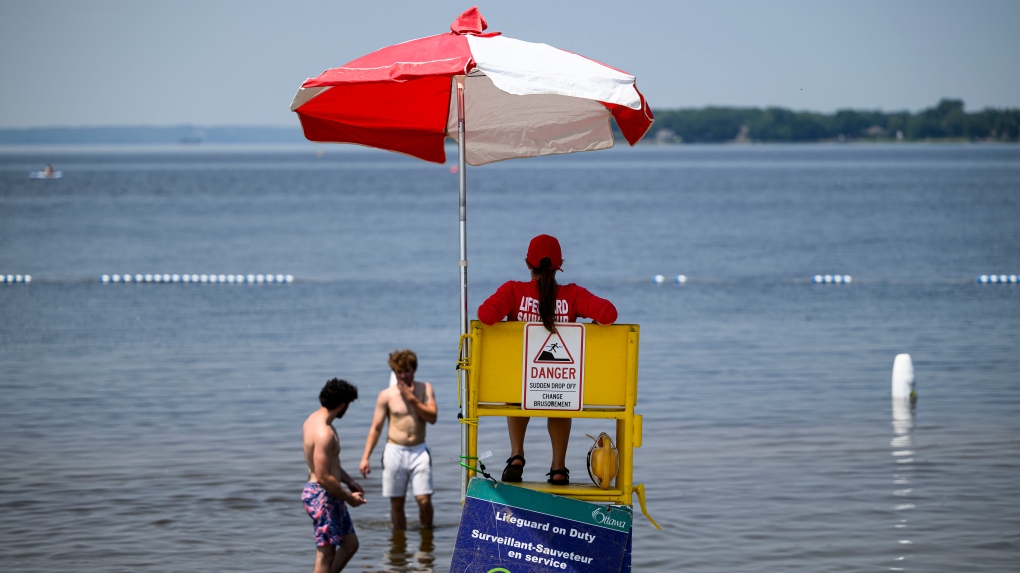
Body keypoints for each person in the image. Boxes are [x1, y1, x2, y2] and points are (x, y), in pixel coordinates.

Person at [477, 234, 617, 485]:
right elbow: (609, 313)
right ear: (559, 264)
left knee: (516, 387)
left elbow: (485, 315)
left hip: (520, 386)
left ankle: (517, 455)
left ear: (527, 264)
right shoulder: (573, 294)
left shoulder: (514, 291)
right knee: (564, 392)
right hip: (560, 384)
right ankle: (558, 467)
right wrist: (594, 325)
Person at [359, 349, 438, 529]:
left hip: (419, 450)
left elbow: (432, 417)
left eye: (406, 371)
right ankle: (398, 541)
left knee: (424, 501)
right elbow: (376, 428)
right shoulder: (386, 395)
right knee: (396, 503)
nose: (403, 375)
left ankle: (427, 539)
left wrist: (412, 399)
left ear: (414, 370)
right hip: (394, 450)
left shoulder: (425, 389)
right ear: (394, 372)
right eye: (398, 371)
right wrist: (365, 457)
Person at [302, 378, 366, 573]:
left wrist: (349, 481)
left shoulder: (312, 419)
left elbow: (329, 464)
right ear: (341, 405)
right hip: (322, 495)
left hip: (330, 493)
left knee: (350, 544)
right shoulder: (324, 432)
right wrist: (349, 498)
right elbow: (322, 476)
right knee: (326, 553)